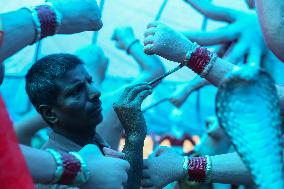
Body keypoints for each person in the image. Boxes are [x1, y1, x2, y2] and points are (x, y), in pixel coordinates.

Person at [0, 1, 130, 188]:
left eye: (90, 82)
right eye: (76, 91)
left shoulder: (96, 145)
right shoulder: (54, 182)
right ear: (50, 113)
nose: (95, 92)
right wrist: (51, 15)